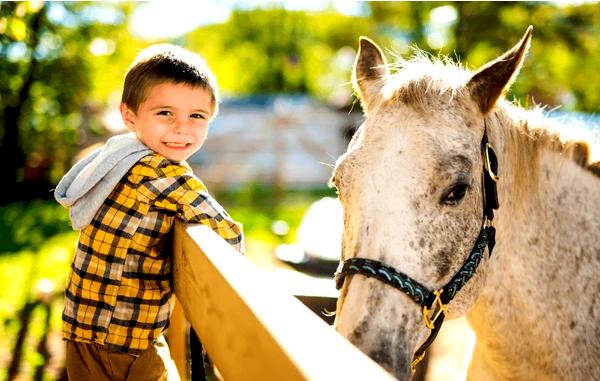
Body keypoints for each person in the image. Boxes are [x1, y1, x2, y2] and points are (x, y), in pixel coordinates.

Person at [54, 44, 244, 381]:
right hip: (124, 337)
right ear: (130, 116)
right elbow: (226, 233)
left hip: (83, 326)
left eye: (196, 116)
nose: (182, 128)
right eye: (165, 113)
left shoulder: (121, 156)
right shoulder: (163, 173)